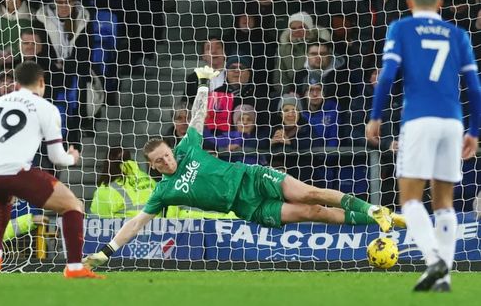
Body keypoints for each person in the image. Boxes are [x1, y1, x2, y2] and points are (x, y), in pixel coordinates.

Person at [84, 66, 404, 269]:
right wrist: (107, 251)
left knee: (310, 193)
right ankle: (381, 219)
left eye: (166, 154)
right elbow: (137, 223)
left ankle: (374, 209)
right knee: (312, 213)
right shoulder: (164, 191)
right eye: (159, 161)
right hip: (245, 206)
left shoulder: (187, 148)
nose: (167, 161)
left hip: (252, 177)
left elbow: (197, 115)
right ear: (154, 167)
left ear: (170, 149)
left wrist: (204, 84)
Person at [366, 0, 481, 292]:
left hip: (418, 119)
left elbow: (387, 76)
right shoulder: (458, 35)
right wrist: (474, 130)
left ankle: (434, 259)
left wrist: (375, 116)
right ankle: (443, 279)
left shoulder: (401, 29)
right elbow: (474, 87)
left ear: (410, 3)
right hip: (452, 122)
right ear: (440, 3)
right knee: (445, 202)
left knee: (410, 200)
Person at [0, 61, 103, 279]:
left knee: (3, 199)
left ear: (16, 84)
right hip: (15, 173)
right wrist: (72, 158)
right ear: (41, 82)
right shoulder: (47, 108)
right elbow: (56, 157)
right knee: (73, 206)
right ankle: (75, 267)